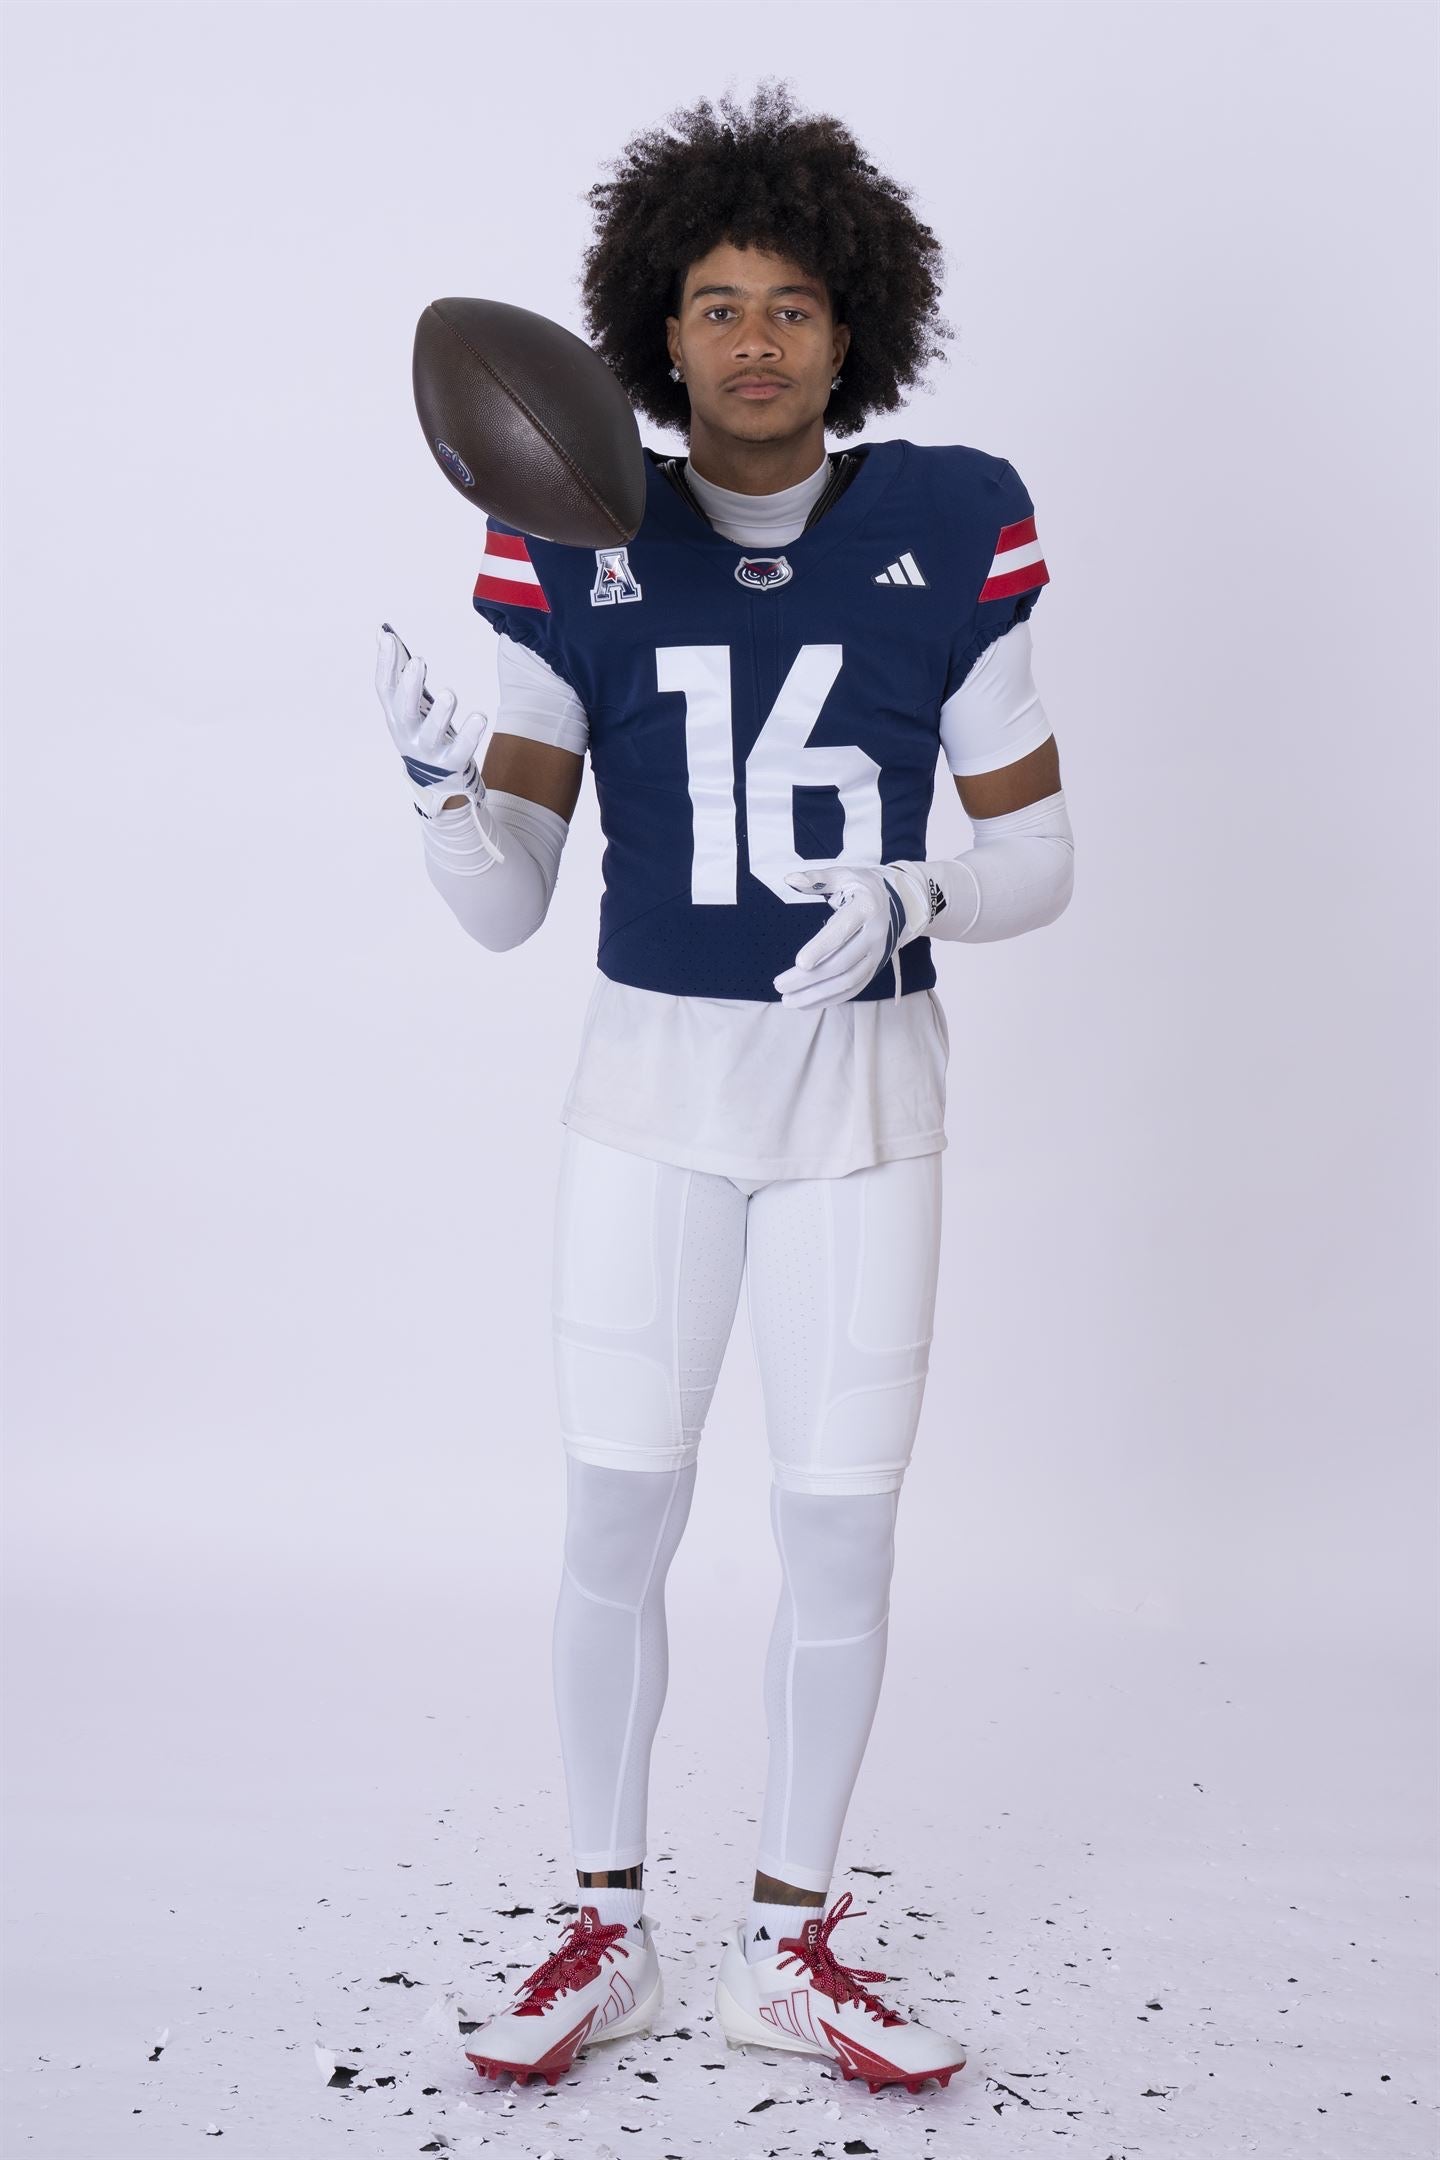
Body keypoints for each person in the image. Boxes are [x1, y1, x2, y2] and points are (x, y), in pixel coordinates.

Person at [374, 82, 1073, 2097]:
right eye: (714, 305)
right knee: (618, 1507)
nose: (754, 340)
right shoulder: (574, 531)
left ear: (854, 328)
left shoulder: (951, 521)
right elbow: (509, 904)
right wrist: (439, 798)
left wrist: (919, 887)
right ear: (654, 336)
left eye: (791, 304)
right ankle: (608, 1925)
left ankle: (790, 1942)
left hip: (865, 1111)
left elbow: (1040, 856)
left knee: (840, 1536)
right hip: (652, 1103)